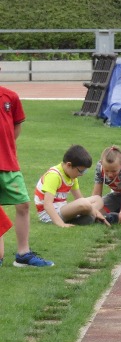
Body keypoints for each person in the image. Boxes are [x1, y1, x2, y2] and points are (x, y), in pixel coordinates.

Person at [0, 75, 54, 267]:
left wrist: (5, 147)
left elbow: (16, 127)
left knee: (23, 205)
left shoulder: (10, 97)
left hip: (9, 164)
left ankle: (23, 254)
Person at [34, 145, 110, 227]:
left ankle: (87, 217)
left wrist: (90, 209)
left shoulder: (72, 177)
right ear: (69, 165)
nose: (82, 174)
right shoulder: (54, 176)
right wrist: (61, 224)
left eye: (84, 171)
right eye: (81, 171)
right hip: (48, 215)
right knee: (84, 204)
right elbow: (47, 205)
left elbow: (79, 198)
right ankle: (89, 216)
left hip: (62, 209)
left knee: (98, 199)